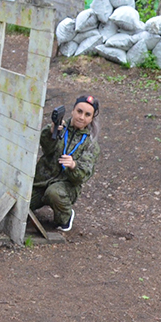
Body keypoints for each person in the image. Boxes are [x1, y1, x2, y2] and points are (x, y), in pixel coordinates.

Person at [30, 95, 101, 232]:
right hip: (42, 181)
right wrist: (51, 132)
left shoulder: (91, 144)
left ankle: (65, 217)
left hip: (66, 186)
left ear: (92, 118)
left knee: (54, 193)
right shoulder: (60, 128)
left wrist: (73, 166)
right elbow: (45, 146)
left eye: (87, 115)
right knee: (22, 205)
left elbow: (84, 175)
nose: (81, 117)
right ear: (73, 111)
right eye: (79, 111)